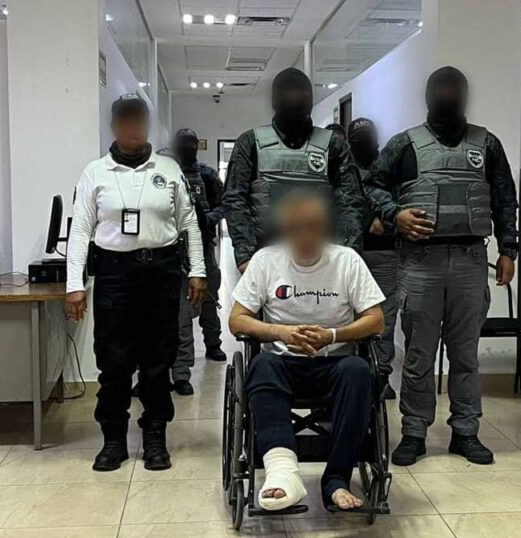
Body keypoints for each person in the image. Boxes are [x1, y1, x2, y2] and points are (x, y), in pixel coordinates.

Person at [366, 67, 519, 467]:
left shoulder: (487, 144)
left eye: (455, 89)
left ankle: (466, 432)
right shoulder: (405, 144)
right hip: (420, 263)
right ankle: (414, 432)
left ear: (466, 94)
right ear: (428, 94)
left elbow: (505, 198)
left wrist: (509, 249)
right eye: (442, 88)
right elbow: (372, 186)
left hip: (470, 261)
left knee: (465, 354)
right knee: (419, 354)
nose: (448, 95)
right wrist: (395, 214)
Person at [65, 93, 206, 472]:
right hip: (114, 274)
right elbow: (80, 232)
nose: (133, 127)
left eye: (138, 120)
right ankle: (113, 439)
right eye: (125, 120)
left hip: (161, 272)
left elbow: (189, 223)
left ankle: (155, 435)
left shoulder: (168, 168)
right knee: (113, 361)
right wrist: (73, 284)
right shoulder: (95, 172)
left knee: (158, 360)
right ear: (113, 125)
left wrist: (198, 270)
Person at [228, 190, 385, 512]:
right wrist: (281, 332)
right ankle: (283, 473)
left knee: (358, 370)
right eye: (295, 228)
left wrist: (332, 335)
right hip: (283, 362)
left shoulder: (347, 260)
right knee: (262, 365)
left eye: (312, 227)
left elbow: (376, 319)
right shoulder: (266, 260)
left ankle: (337, 481)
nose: (304, 235)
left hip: (335, 363)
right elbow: (237, 320)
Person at [222, 68, 364, 272]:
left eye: (300, 94)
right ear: (275, 99)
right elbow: (235, 199)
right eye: (287, 94)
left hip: (323, 259)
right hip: (264, 258)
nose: (294, 99)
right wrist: (245, 256)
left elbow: (351, 203)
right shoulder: (250, 142)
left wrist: (347, 255)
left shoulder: (334, 145)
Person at [169, 128, 227, 397]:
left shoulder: (207, 174)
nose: (187, 149)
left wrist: (209, 219)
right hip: (174, 251)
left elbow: (224, 203)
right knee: (181, 313)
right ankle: (181, 370)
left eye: (191, 144)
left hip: (203, 248)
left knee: (209, 299)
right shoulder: (169, 174)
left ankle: (213, 343)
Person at [348, 117, 399, 400]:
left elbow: (402, 200)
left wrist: (387, 221)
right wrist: (369, 218)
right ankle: (353, 372)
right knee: (348, 314)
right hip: (350, 252)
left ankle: (381, 375)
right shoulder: (342, 167)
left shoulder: (389, 165)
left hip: (385, 252)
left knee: (385, 318)